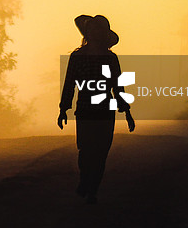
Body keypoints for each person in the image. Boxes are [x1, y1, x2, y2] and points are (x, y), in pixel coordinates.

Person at [57, 14, 135, 204]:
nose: (93, 32)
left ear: (102, 34)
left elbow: (117, 86)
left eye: (96, 29)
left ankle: (92, 190)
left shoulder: (110, 58)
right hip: (84, 110)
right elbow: (69, 84)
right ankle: (85, 181)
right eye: (90, 29)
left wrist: (127, 112)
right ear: (87, 33)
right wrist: (63, 109)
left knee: (101, 153)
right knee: (85, 151)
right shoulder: (77, 57)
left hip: (105, 110)